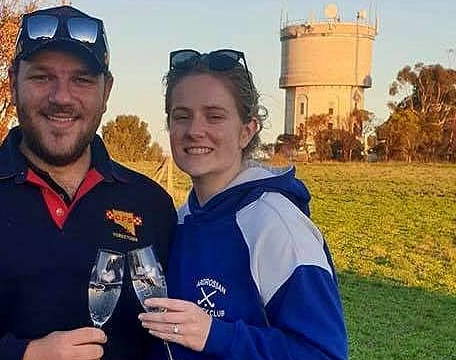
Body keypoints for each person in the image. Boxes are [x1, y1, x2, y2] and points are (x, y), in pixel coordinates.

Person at [0, 5, 176, 360]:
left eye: (82, 79)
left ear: (107, 91)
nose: (61, 97)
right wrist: (24, 354)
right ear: (13, 83)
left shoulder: (152, 206)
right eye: (42, 77)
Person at [138, 49, 348, 360]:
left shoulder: (275, 225)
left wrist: (216, 335)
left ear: (247, 131)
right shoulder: (180, 220)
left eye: (215, 116)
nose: (195, 130)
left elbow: (324, 353)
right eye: (181, 116)